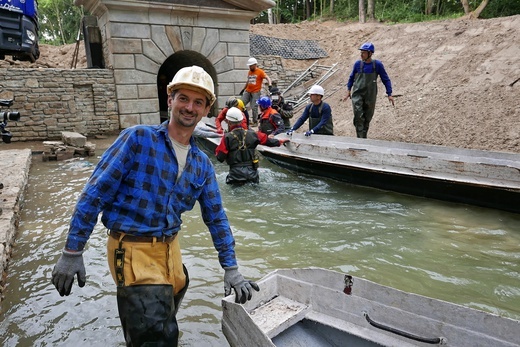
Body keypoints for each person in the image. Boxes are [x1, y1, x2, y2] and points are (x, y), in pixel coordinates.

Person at [51, 65, 259, 346]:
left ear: (207, 109)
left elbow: (217, 218)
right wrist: (72, 251)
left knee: (158, 325)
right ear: (169, 98)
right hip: (133, 248)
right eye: (183, 98)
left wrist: (231, 268)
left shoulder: (202, 164)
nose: (190, 107)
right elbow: (94, 194)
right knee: (158, 337)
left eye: (198, 102)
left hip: (171, 252)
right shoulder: (137, 139)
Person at [215, 107, 289, 185]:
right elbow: (268, 141)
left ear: (229, 122)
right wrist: (280, 141)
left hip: (235, 176)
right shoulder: (253, 134)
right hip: (252, 175)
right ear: (241, 121)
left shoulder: (227, 137)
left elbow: (220, 157)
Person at [345, 42, 394, 138]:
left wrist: (389, 93)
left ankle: (363, 137)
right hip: (358, 94)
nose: (361, 55)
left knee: (367, 117)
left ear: (370, 53)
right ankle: (360, 138)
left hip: (370, 95)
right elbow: (351, 78)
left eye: (363, 53)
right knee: (358, 115)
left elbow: (385, 79)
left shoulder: (377, 65)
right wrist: (348, 90)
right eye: (361, 52)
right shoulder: (357, 64)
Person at [240, 57, 272, 126]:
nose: (249, 67)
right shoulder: (249, 72)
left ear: (255, 64)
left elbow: (267, 78)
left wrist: (270, 85)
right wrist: (243, 89)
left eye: (250, 65)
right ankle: (242, 120)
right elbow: (248, 81)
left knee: (254, 107)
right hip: (248, 91)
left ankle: (255, 122)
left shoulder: (260, 72)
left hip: (256, 92)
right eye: (249, 66)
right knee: (241, 104)